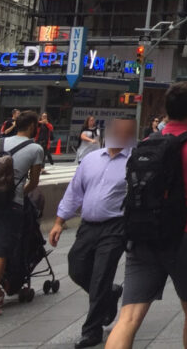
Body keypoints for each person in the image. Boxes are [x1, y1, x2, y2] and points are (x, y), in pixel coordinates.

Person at [107, 81, 187, 349]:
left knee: (129, 317)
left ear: (166, 111)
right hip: (186, 238)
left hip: (143, 235)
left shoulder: (147, 143)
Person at [49, 116, 136, 347]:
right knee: (76, 267)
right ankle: (110, 294)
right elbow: (74, 191)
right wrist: (59, 221)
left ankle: (92, 330)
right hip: (88, 225)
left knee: (100, 276)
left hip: (115, 226)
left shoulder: (134, 161)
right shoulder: (91, 159)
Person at [0, 110, 45, 318]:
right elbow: (33, 182)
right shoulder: (36, 148)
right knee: (1, 251)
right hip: (12, 204)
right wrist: (19, 193)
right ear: (33, 126)